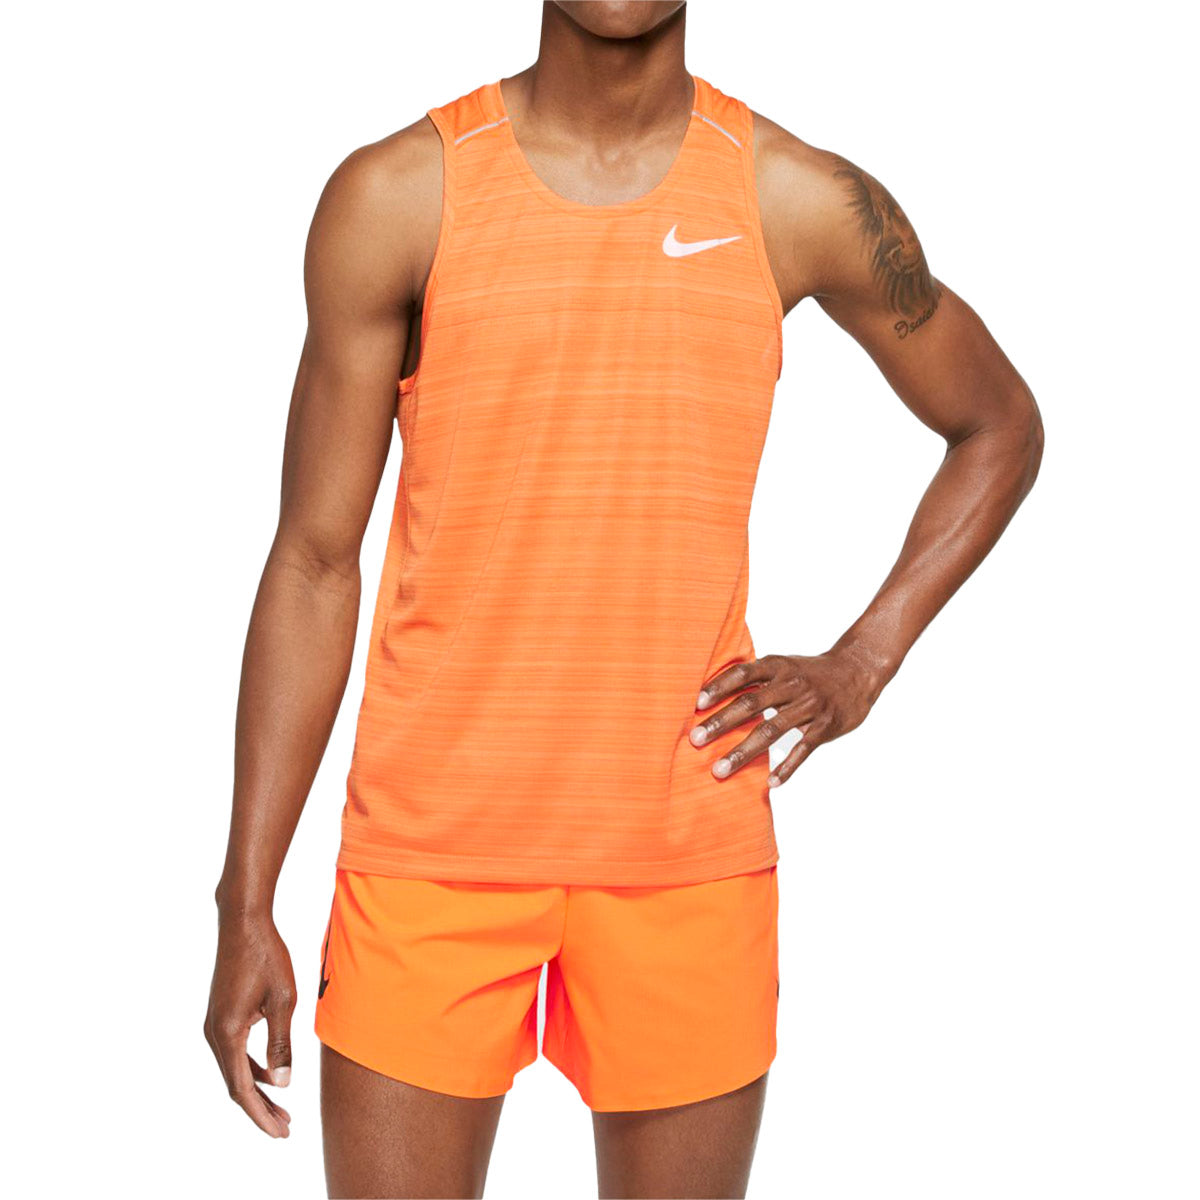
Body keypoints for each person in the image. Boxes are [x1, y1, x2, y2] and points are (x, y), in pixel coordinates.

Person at [204, 2, 1043, 1196]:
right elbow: (312, 561)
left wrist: (865, 659)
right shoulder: (399, 196)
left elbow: (998, 423)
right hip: (429, 858)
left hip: (685, 853)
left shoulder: (792, 197)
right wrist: (245, 900)